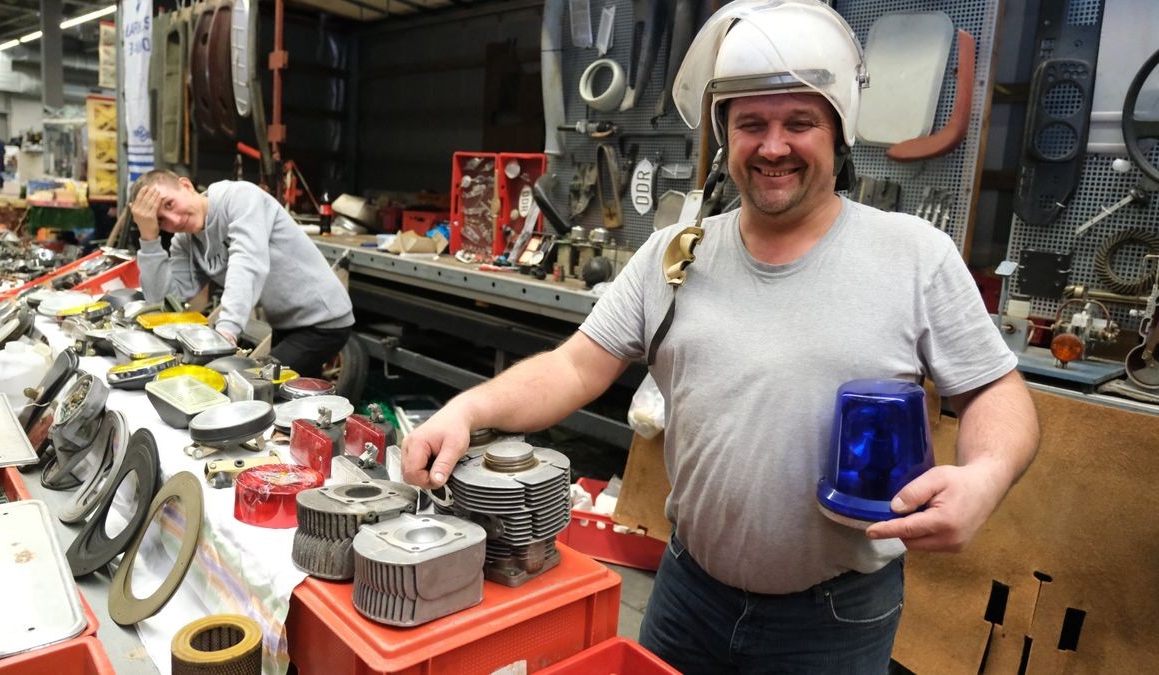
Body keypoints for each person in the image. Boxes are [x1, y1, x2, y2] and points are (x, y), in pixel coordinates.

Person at [402, 1, 1038, 672]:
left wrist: (985, 476)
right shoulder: (675, 254)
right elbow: (572, 369)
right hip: (687, 594)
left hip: (833, 617)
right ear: (724, 133)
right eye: (751, 123)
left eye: (800, 122)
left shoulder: (914, 256)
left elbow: (995, 392)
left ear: (839, 130)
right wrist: (466, 411)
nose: (772, 146)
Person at [128, 170, 353, 377]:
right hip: (285, 323)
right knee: (288, 403)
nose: (174, 220)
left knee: (258, 387)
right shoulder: (185, 242)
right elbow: (163, 302)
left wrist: (226, 331)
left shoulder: (239, 198)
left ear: (186, 186)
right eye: (161, 221)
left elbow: (247, 261)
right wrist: (149, 238)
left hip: (323, 320)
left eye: (170, 204)